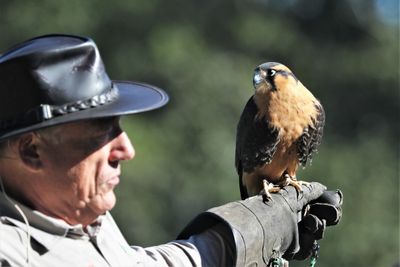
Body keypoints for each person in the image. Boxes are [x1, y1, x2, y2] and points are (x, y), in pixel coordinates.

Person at [0, 34, 342, 267]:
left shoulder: (87, 222)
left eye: (120, 129)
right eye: (101, 135)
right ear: (32, 152)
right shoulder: (11, 252)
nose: (127, 149)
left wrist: (247, 234)